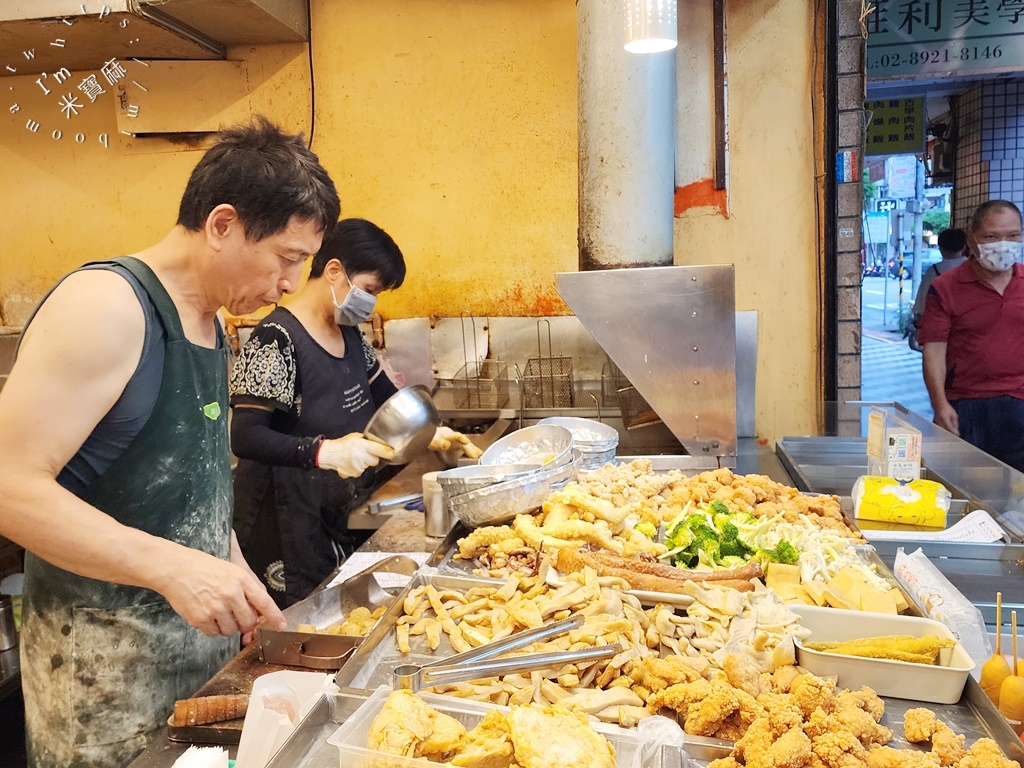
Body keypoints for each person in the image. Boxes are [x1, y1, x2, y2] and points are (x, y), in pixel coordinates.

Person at [0, 116, 340, 768]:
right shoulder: (108, 307)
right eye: (288, 259)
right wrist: (173, 568)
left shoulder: (214, 321)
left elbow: (192, 490)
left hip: (198, 674)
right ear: (222, 225)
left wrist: (237, 579)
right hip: (103, 681)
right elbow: (9, 487)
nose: (293, 285)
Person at [229, 219, 478, 607]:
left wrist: (431, 433)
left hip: (335, 507)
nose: (371, 303)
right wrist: (324, 452)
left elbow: (385, 399)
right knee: (301, 622)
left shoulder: (349, 335)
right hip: (282, 521)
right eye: (369, 290)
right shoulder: (275, 338)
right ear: (333, 271)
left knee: (342, 608)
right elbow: (244, 436)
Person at [919, 200, 1024, 471]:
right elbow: (934, 350)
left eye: (1013, 235)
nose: (1003, 244)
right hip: (966, 408)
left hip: (1020, 404)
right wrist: (939, 404)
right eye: (992, 236)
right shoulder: (945, 287)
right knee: (970, 493)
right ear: (972, 239)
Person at [906, 227, 967, 351]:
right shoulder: (976, 270)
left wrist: (918, 328)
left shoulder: (933, 272)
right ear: (964, 247)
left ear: (941, 249)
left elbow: (921, 307)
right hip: (971, 336)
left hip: (940, 338)